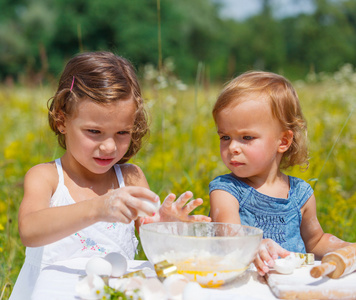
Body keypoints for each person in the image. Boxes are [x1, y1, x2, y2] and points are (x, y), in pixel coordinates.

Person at [10, 51, 210, 299]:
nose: (109, 147)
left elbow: (153, 247)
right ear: (62, 120)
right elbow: (29, 231)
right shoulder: (46, 177)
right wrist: (98, 207)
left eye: (122, 133)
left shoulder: (131, 177)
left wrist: (166, 227)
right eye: (94, 131)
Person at [209, 70, 352, 276]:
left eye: (246, 137)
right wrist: (254, 246)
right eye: (225, 137)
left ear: (283, 141)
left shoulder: (300, 194)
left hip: (293, 287)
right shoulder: (226, 191)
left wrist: (346, 246)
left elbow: (316, 241)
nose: (233, 148)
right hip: (244, 286)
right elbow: (229, 237)